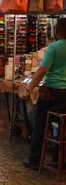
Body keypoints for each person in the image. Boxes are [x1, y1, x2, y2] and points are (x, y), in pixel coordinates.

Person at [21, 18, 66, 170]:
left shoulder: (54, 47)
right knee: (63, 127)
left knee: (40, 124)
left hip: (52, 93)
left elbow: (42, 71)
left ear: (56, 31)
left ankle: (34, 161)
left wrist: (28, 89)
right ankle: (60, 160)